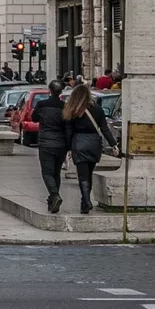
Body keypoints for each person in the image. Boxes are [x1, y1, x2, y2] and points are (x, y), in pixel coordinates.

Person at [63, 84, 118, 214]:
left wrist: (68, 148)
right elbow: (104, 128)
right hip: (94, 143)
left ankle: (86, 200)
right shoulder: (97, 109)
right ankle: (85, 202)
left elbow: (68, 131)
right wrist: (113, 144)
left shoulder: (72, 110)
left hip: (79, 142)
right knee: (89, 173)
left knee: (82, 175)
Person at [33, 81, 69, 213]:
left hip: (46, 142)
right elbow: (67, 126)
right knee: (56, 172)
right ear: (61, 92)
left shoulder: (41, 104)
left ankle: (54, 195)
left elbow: (34, 118)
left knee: (47, 172)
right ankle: (53, 199)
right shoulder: (64, 106)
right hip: (61, 143)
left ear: (49, 90)